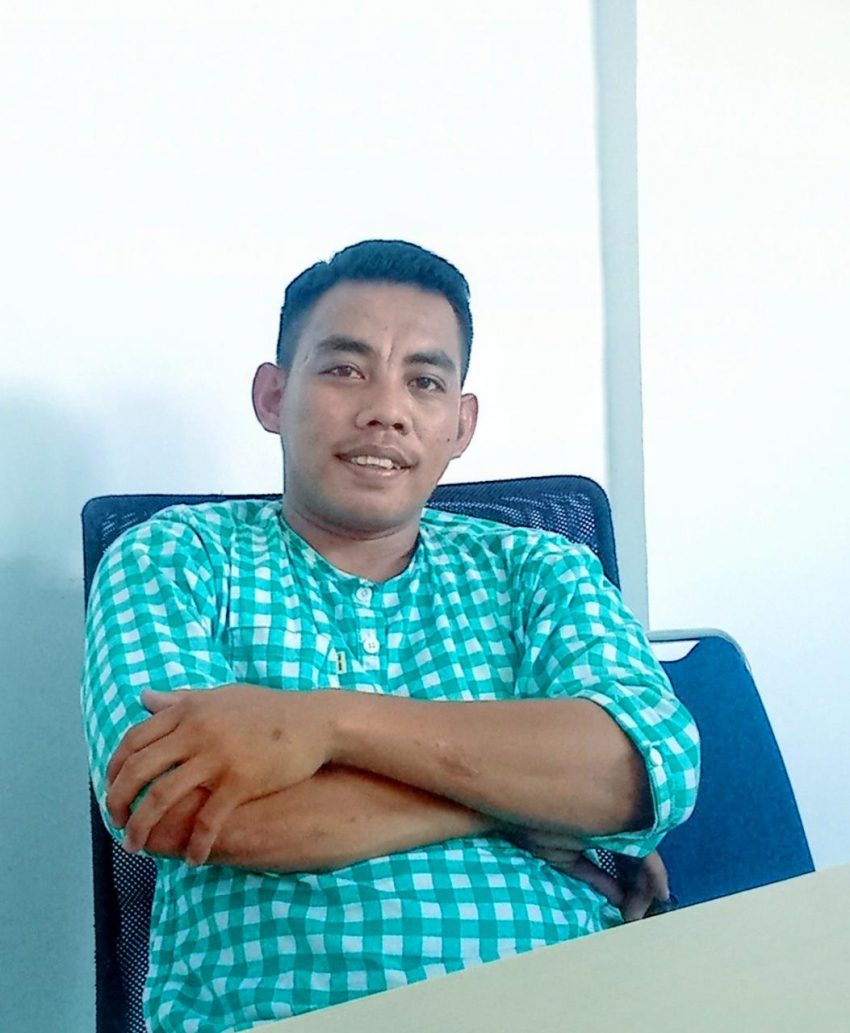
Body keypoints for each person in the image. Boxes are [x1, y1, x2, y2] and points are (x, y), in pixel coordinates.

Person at [82, 240, 700, 1033]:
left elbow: (649, 765)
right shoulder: (174, 557)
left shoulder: (540, 566)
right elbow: (177, 806)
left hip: (572, 1003)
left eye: (425, 381)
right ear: (273, 395)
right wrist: (520, 803)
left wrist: (322, 724)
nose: (386, 408)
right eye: (345, 369)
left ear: (461, 423)